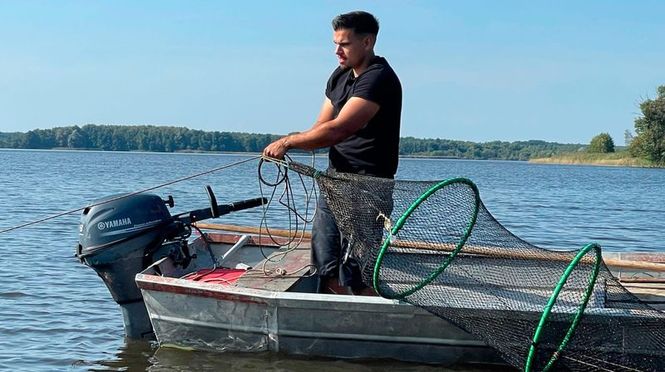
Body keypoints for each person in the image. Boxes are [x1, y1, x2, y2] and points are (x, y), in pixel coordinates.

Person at [263, 10, 402, 294]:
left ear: (367, 42)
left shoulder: (378, 79)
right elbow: (321, 125)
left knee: (360, 268)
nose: (337, 51)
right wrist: (298, 140)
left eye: (345, 44)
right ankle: (332, 315)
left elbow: (340, 129)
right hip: (334, 180)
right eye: (335, 43)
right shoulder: (340, 76)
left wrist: (289, 142)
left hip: (368, 185)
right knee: (326, 260)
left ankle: (370, 318)